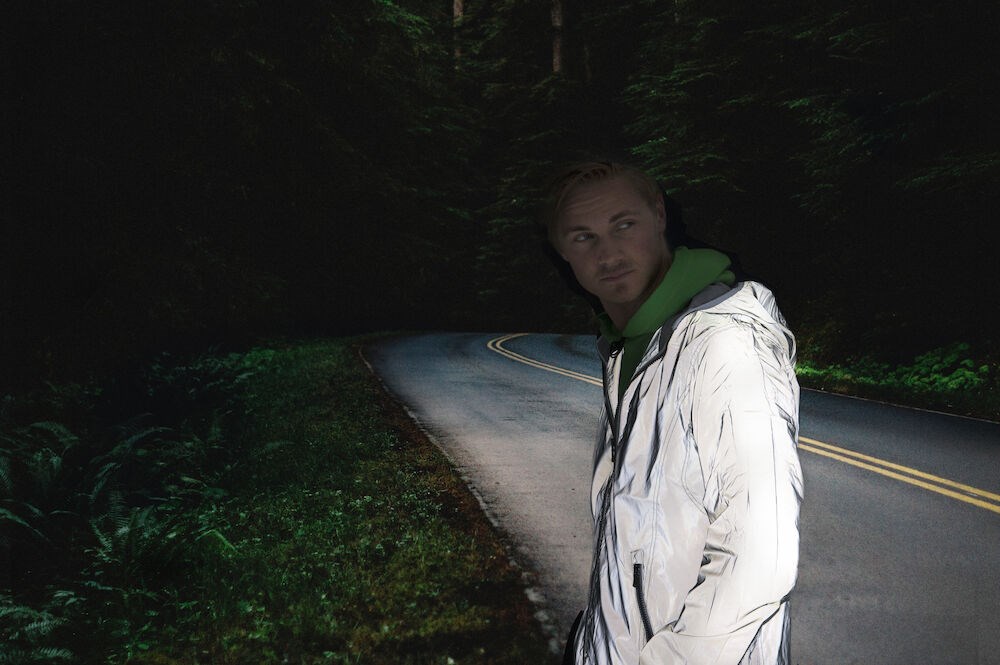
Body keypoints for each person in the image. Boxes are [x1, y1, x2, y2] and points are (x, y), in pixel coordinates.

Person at [542, 161, 804, 665]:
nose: (608, 254)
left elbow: (761, 556)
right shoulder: (630, 348)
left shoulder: (725, 345)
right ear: (562, 252)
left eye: (624, 224)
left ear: (659, 216)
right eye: (583, 237)